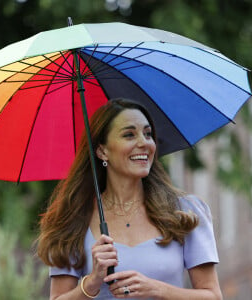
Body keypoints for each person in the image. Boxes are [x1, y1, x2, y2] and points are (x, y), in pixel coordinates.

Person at [37, 98, 222, 300]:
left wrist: (156, 289)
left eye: (148, 133)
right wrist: (91, 283)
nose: (143, 143)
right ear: (102, 151)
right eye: (129, 135)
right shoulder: (73, 219)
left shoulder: (185, 212)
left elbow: (212, 296)